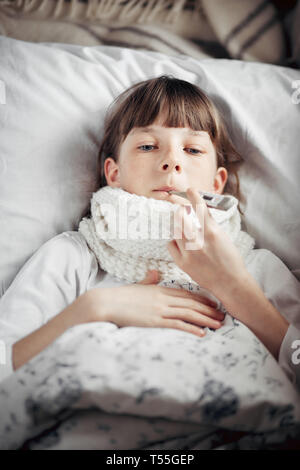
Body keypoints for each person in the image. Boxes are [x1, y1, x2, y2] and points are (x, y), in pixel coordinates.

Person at [0, 76, 299, 392]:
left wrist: (235, 288)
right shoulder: (72, 257)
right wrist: (94, 308)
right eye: (147, 146)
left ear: (216, 183)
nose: (172, 161)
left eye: (193, 149)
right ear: (114, 173)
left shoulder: (257, 268)